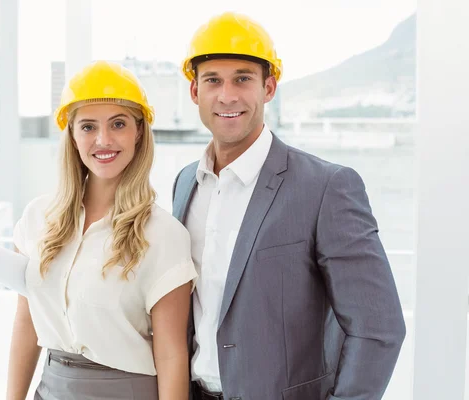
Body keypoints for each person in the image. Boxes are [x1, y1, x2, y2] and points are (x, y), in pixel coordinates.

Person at [172, 12, 406, 400]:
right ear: (195, 92)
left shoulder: (326, 187)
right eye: (213, 80)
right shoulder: (185, 183)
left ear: (269, 87)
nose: (227, 95)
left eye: (242, 78)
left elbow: (378, 329)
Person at [7, 60, 197, 400]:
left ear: (139, 131)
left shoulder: (164, 234)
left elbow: (171, 355)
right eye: (88, 127)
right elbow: (26, 324)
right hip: (50, 389)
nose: (103, 140)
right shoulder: (38, 218)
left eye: (118, 124)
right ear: (72, 135)